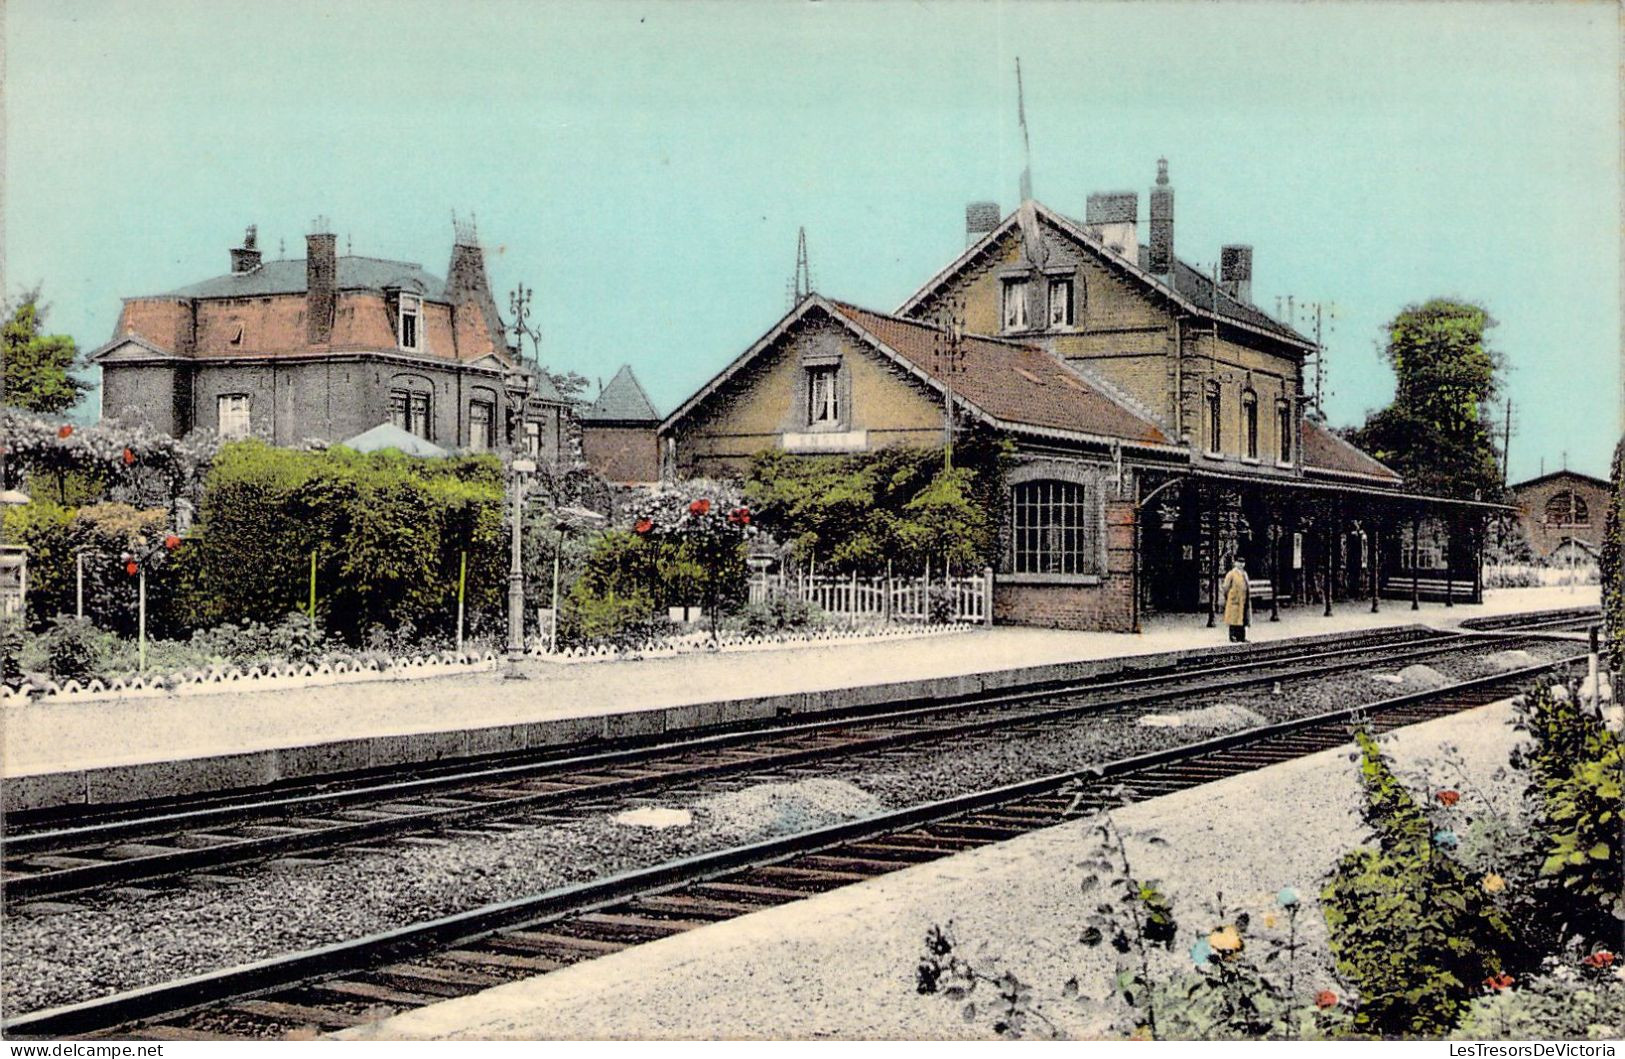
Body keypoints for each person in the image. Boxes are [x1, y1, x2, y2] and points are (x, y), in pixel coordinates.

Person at [1222, 556, 1251, 642]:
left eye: (1243, 563)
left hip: (1244, 599)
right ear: (1235, 563)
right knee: (1233, 618)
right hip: (1234, 599)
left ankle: (1242, 636)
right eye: (1239, 562)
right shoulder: (1231, 574)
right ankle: (1233, 636)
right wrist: (1230, 597)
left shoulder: (1244, 574)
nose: (1241, 564)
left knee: (1242, 618)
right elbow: (1225, 587)